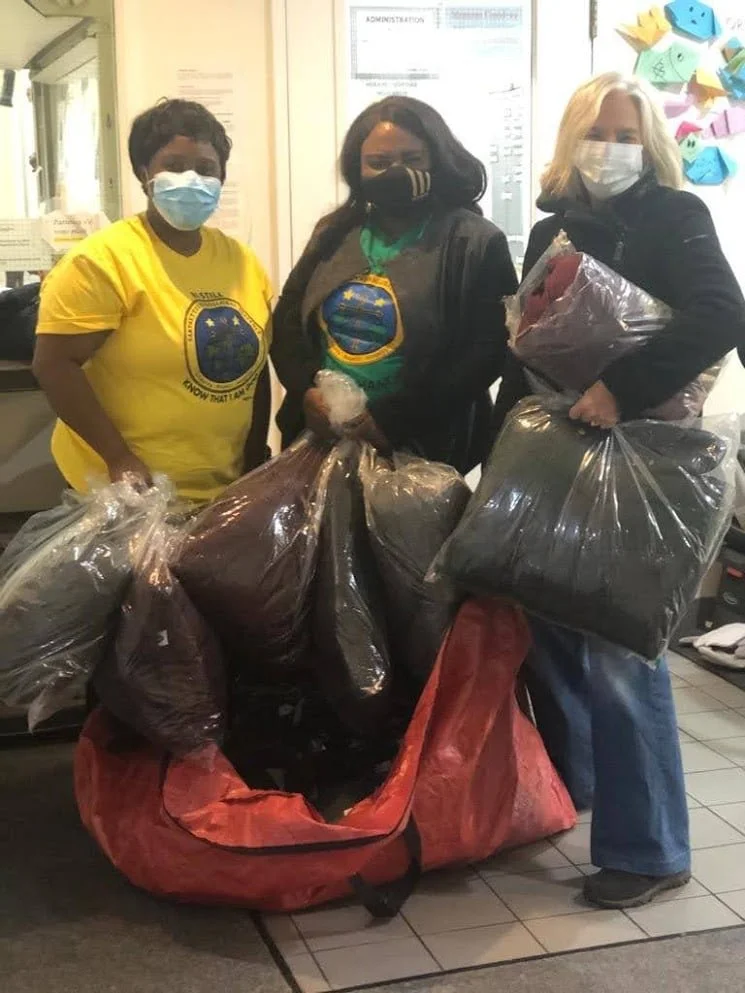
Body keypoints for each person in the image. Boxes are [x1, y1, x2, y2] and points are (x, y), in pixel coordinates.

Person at [493, 72, 745, 910]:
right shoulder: (551, 228)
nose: (610, 149)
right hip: (560, 452)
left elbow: (722, 313)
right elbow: (526, 345)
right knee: (551, 625)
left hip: (641, 459)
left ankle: (649, 849)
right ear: (571, 140)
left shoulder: (675, 216)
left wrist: (619, 388)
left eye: (627, 135)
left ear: (651, 144)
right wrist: (497, 451)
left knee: (617, 648)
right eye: (597, 133)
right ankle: (585, 786)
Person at [33, 99, 272, 504]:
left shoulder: (241, 261)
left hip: (223, 485)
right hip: (127, 494)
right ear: (145, 174)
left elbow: (256, 365)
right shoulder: (102, 261)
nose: (191, 179)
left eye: (206, 168)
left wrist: (254, 458)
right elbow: (54, 365)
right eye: (174, 166)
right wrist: (117, 457)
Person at [270, 95, 518, 474]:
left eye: (412, 159)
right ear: (357, 169)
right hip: (321, 439)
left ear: (436, 159)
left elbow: (487, 350)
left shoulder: (476, 242)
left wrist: (390, 421)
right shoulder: (334, 233)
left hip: (419, 447)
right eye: (379, 163)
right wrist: (306, 391)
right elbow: (287, 318)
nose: (396, 173)